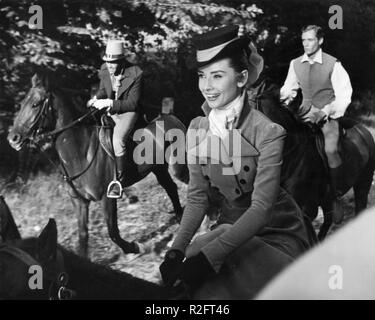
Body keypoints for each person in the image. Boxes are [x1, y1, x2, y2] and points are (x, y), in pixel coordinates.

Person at [159, 25, 311, 299]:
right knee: (185, 274)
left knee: (204, 263)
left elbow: (261, 209)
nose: (207, 86)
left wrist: (209, 258)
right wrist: (176, 249)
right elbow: (197, 199)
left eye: (217, 76)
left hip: (276, 233)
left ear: (241, 78)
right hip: (225, 229)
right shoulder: (196, 128)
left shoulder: (268, 132)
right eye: (202, 76)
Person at [280, 25, 353, 223]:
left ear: (320, 41)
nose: (306, 44)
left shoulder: (333, 64)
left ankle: (336, 196)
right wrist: (282, 107)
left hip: (327, 114)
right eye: (303, 40)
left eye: (310, 40)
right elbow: (288, 90)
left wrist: (325, 111)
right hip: (303, 113)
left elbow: (344, 95)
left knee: (330, 149)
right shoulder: (296, 63)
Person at [88, 40, 143, 198]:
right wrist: (95, 98)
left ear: (121, 61)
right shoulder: (104, 69)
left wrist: (109, 103)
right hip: (111, 109)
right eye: (108, 62)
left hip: (128, 111)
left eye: (113, 63)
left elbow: (132, 103)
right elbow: (103, 90)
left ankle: (119, 181)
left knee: (118, 139)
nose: (110, 66)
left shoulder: (136, 73)